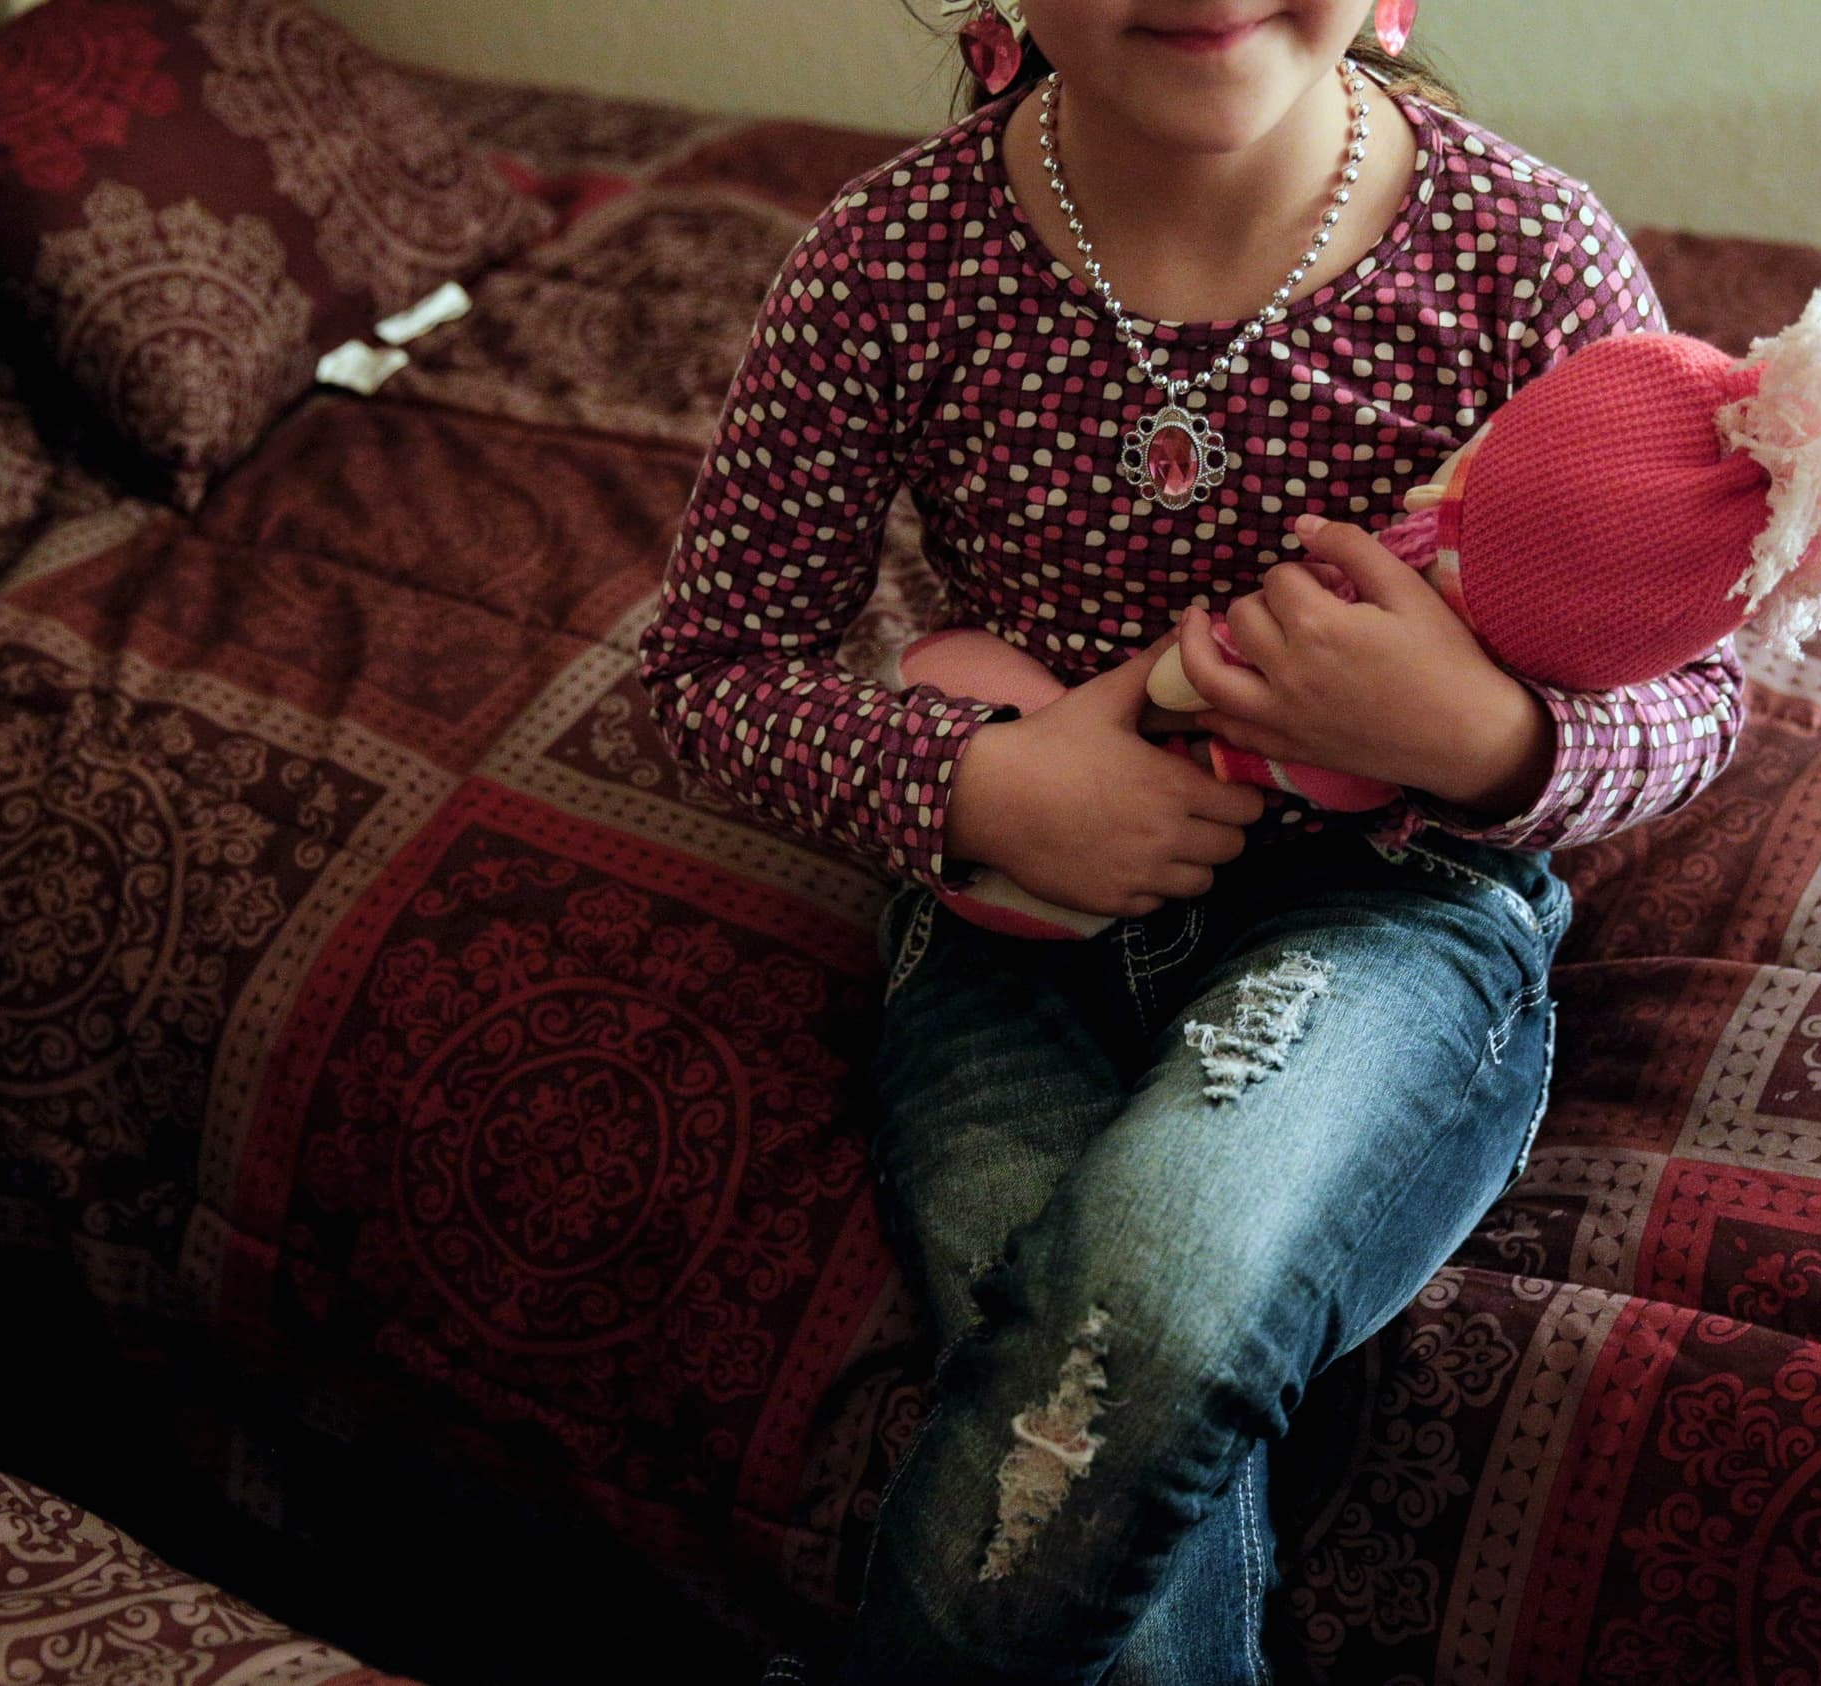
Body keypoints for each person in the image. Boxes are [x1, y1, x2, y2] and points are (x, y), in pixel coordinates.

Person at [635, 4, 1745, 1679]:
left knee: (1146, 1298)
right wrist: (983, 789)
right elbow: (707, 675)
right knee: (1067, 1379)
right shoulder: (883, 264)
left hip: (1395, 904)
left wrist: (1486, 738)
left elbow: (1706, 697)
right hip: (1014, 933)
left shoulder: (1527, 249)